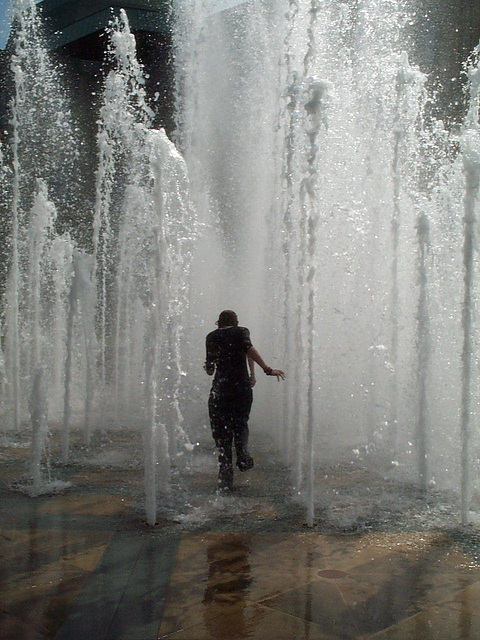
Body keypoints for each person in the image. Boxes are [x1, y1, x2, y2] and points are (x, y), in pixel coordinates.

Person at [204, 310, 285, 492]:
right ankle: (242, 454)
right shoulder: (241, 332)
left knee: (220, 428)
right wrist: (265, 370)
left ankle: (225, 471)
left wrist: (210, 367)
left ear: (218, 323)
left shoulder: (211, 337)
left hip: (220, 389)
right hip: (240, 387)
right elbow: (249, 350)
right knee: (240, 422)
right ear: (236, 322)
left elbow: (210, 368)